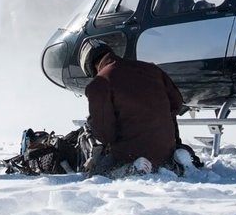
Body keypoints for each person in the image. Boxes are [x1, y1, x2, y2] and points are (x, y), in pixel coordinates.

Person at [79, 38, 188, 176]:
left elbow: (106, 134)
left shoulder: (99, 83)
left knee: (98, 172)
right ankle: (178, 160)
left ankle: (131, 169)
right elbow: (177, 103)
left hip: (131, 153)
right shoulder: (152, 68)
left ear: (89, 67)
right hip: (166, 148)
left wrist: (93, 125)